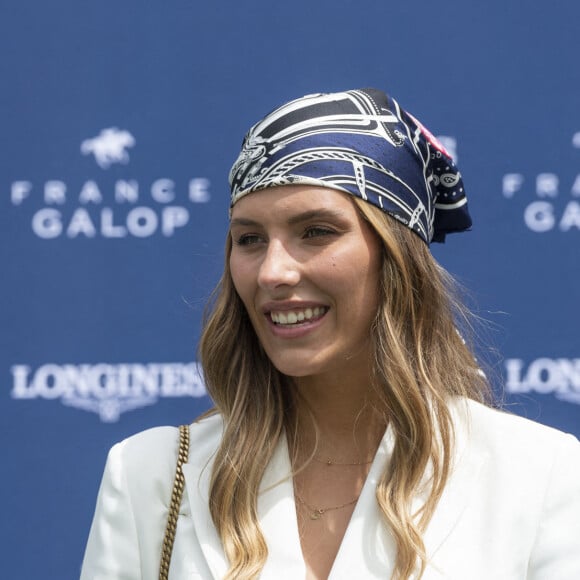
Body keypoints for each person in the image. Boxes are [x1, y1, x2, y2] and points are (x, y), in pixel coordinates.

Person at [80, 89, 580, 580]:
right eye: (249, 239)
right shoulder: (152, 475)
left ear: (397, 257)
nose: (272, 272)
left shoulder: (541, 475)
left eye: (316, 231)